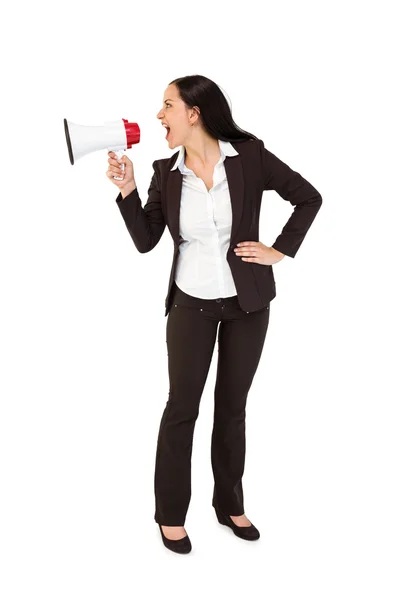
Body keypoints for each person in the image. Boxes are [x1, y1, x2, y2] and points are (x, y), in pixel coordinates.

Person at [106, 75, 322, 554]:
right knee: (182, 408)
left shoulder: (250, 157)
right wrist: (128, 190)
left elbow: (309, 197)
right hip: (190, 304)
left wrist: (279, 250)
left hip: (248, 304)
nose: (159, 115)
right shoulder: (165, 172)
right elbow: (146, 240)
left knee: (232, 408)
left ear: (194, 113)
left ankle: (229, 504)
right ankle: (170, 515)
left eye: (167, 106)